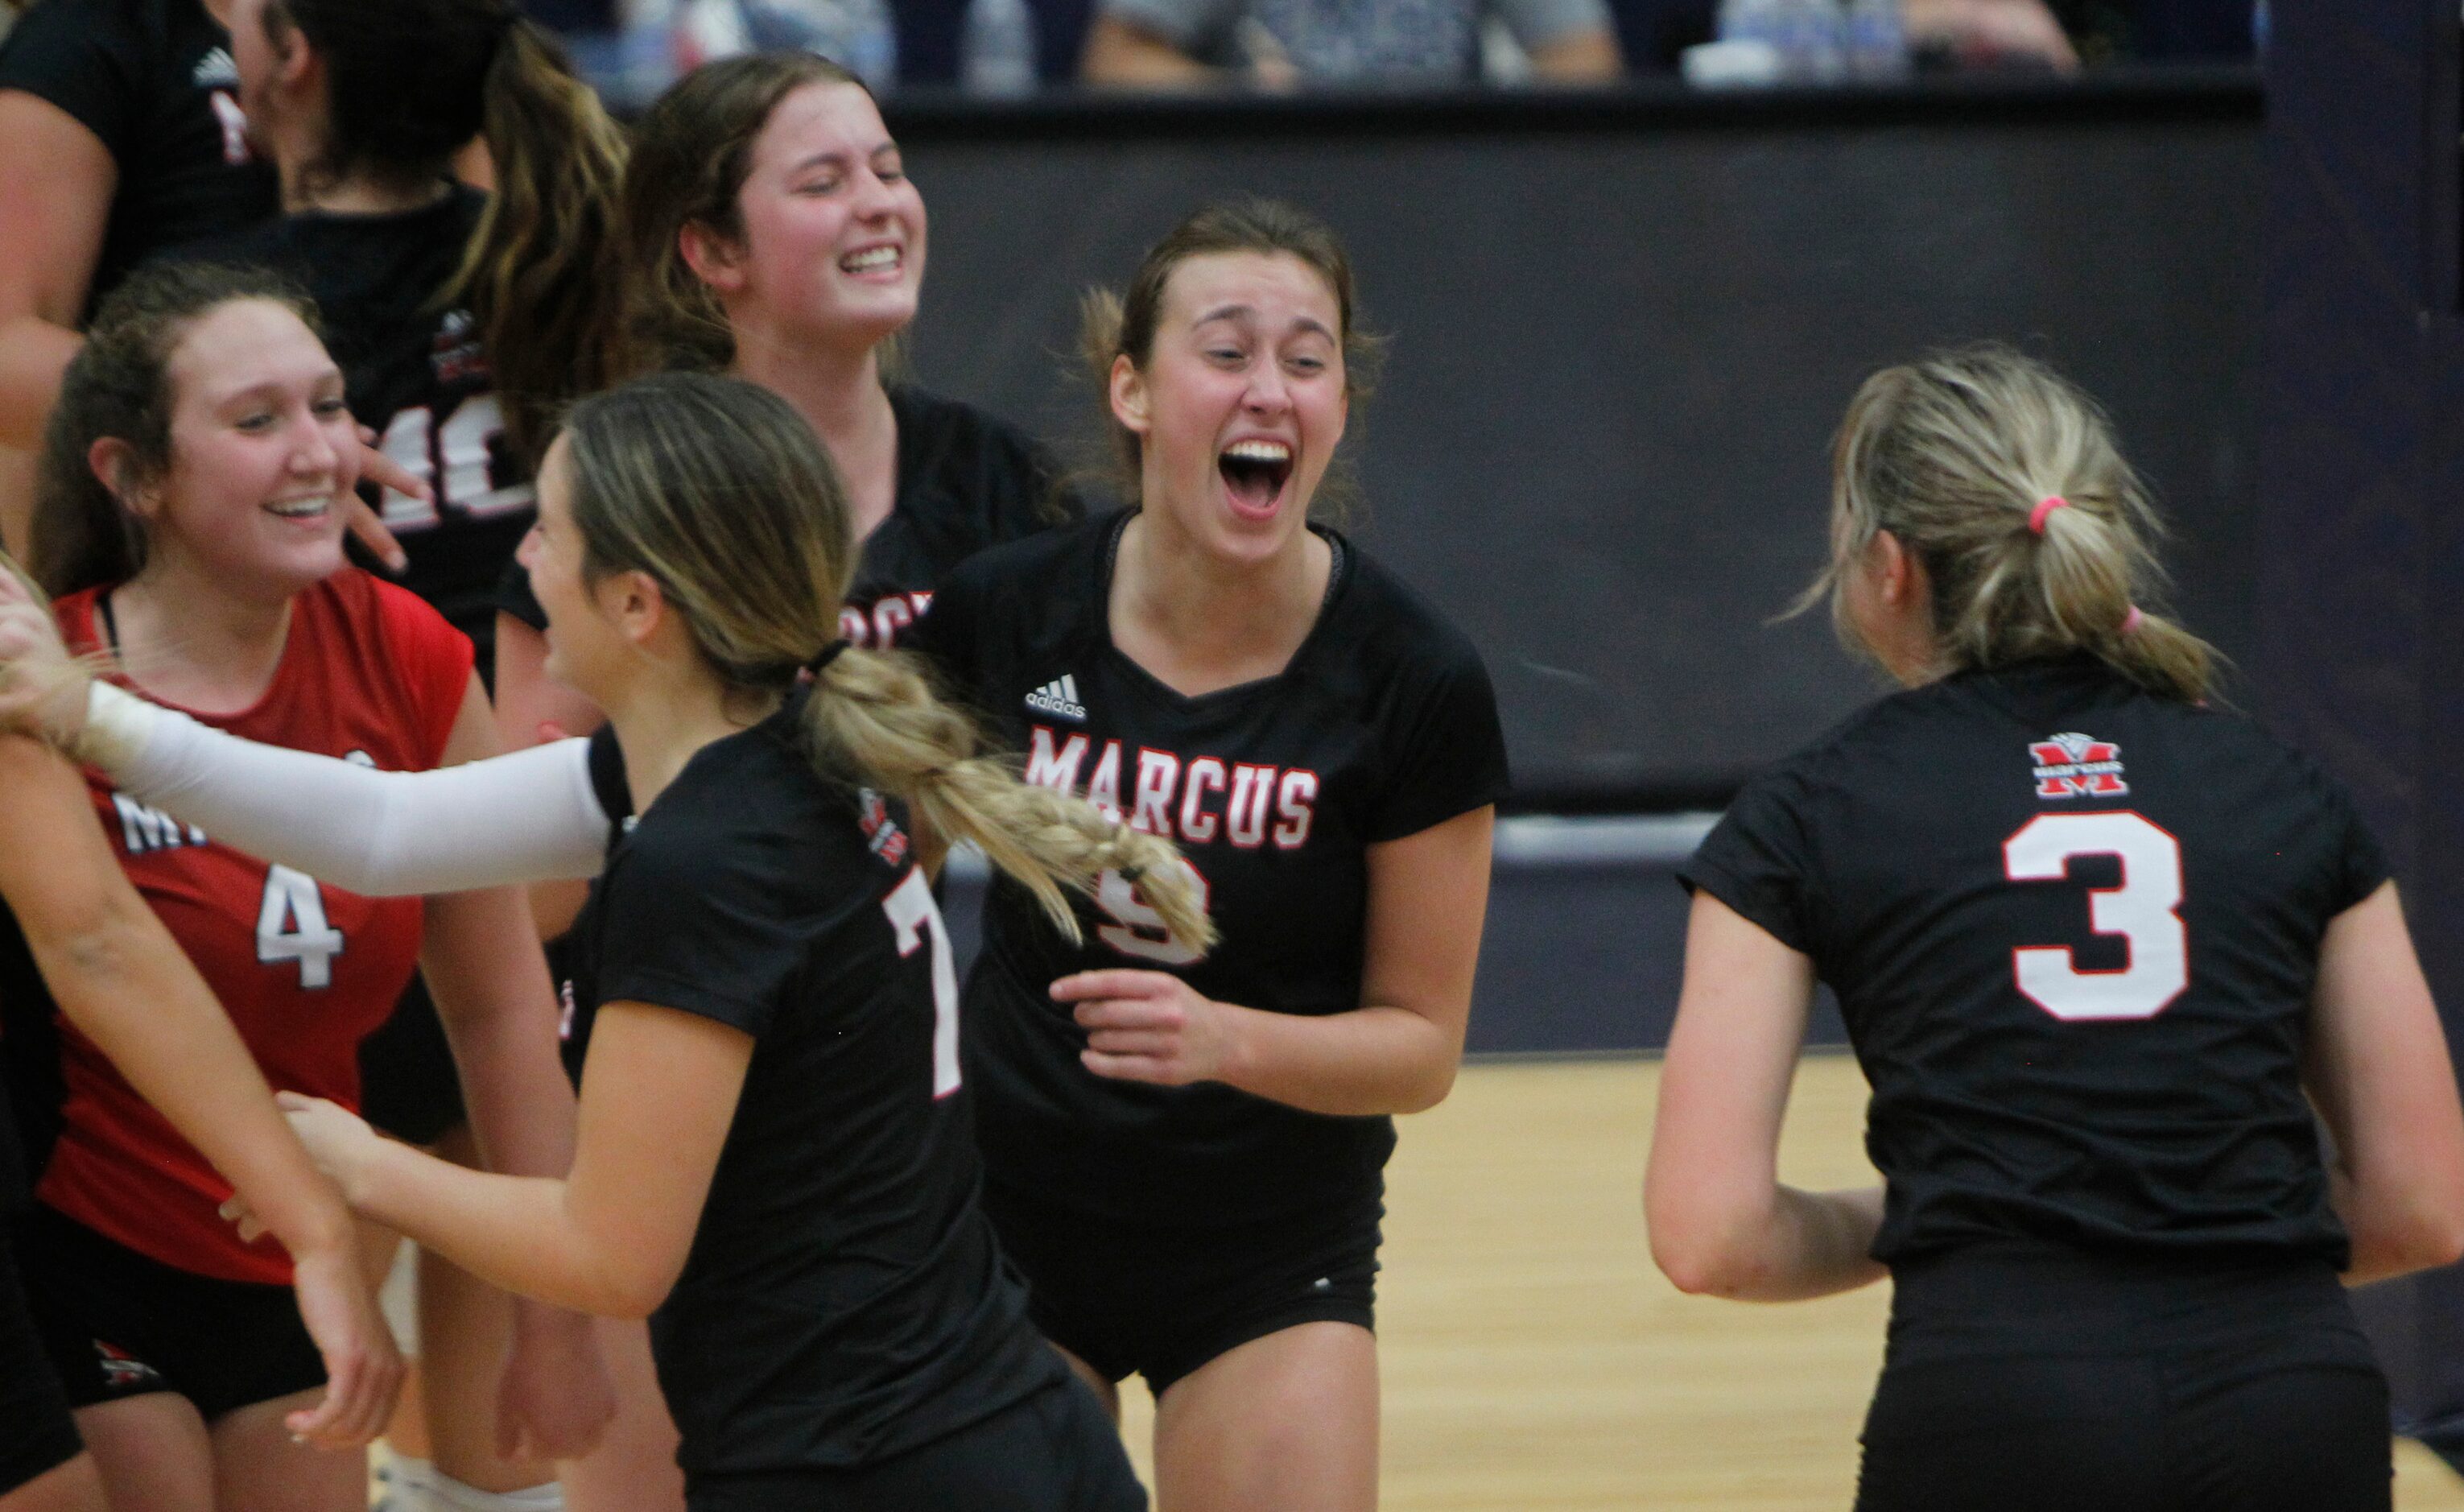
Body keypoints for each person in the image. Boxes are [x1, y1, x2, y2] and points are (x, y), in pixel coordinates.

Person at [0, 369, 1211, 1510]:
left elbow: (609, 1251)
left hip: (867, 1465)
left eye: (554, 533)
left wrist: (355, 1165)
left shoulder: (708, 863)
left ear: (640, 606)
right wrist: (85, 712)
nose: (523, 559)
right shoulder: (777, 749)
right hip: (988, 1422)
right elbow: (382, 827)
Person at [1643, 346, 2464, 1512]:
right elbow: (2422, 1202)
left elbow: (1708, 1238)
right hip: (2290, 1403)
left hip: (1998, 1406)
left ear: (1888, 568)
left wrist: (1956, 1211)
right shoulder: (2280, 787)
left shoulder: (1806, 813)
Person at [903, 199, 1506, 1511]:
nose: (1270, 390)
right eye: (1226, 351)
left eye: (1307, 357)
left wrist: (1224, 1038)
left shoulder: (1412, 677)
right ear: (1132, 387)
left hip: (1267, 1242)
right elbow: (867, 871)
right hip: (1007, 1217)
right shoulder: (1008, 611)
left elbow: (1421, 1045)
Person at [10, 260, 596, 1512]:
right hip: (74, 1248)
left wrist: (555, 1317)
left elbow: (497, 1009)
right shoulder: (42, 681)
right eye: (257, 419)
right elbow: (96, 948)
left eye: (329, 405)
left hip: (281, 1263)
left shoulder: (407, 651)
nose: (319, 449)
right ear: (134, 477)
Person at [174, 7, 642, 1505]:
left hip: (318, 788)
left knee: (315, 1323)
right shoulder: (545, 248)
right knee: (496, 1327)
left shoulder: (236, 308)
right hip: (520, 781)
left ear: (296, 62)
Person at [491, 51, 1078, 790]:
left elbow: (1080, 754)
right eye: (823, 183)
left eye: (889, 171)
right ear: (715, 249)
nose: (878, 203)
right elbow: (532, 891)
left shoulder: (1003, 479)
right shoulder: (610, 500)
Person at [0, 558, 400, 1510]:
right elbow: (94, 940)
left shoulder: (390, 634)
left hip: (222, 1246)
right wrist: (318, 1228)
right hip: (92, 1228)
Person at [0, 0, 421, 567]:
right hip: (194, 558)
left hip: (435, 508)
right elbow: (8, 345)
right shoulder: (87, 39)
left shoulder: (429, 30)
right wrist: (264, 427)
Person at [1079, 0, 1621, 88]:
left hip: (1442, 189)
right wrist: (1239, 94)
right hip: (1253, 202)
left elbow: (1585, 63)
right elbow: (1117, 60)